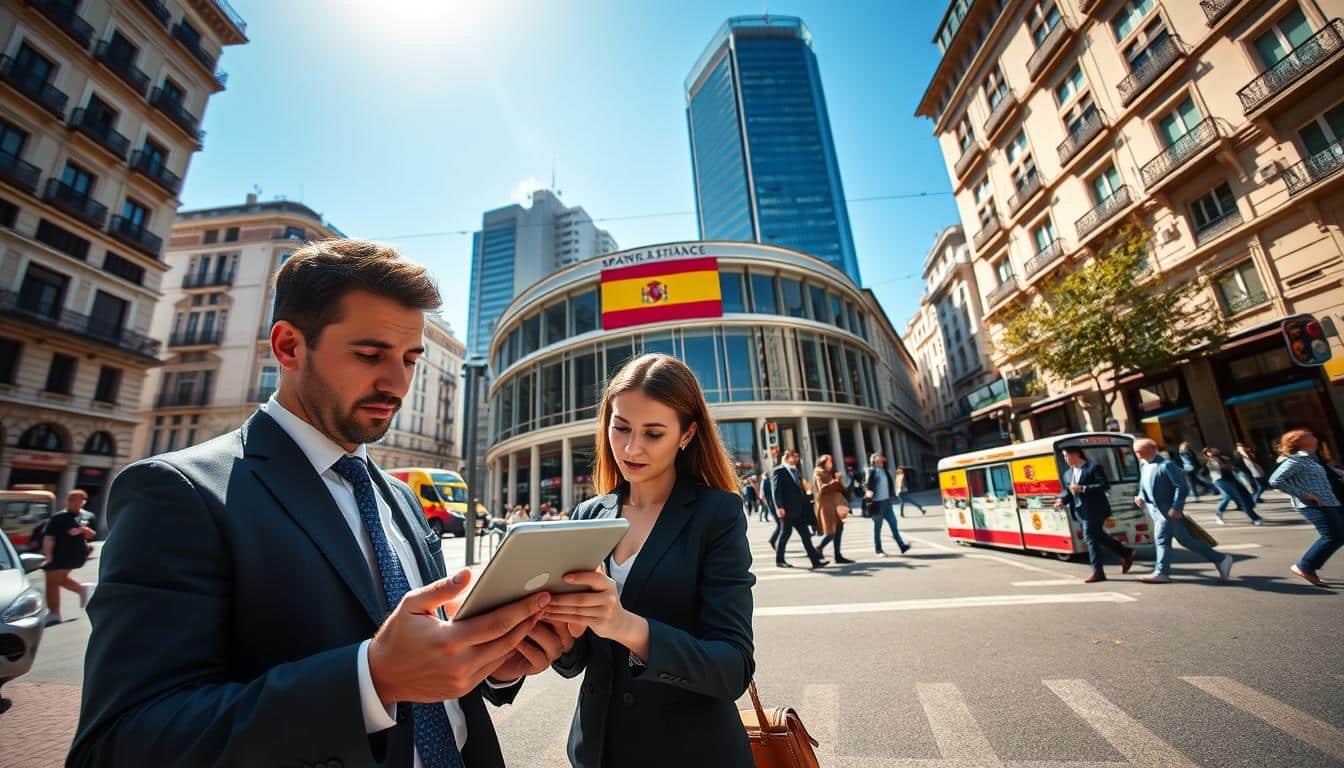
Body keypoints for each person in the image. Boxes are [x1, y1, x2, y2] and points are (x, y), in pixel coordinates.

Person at [71, 239, 569, 768]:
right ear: (288, 346)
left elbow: (433, 668)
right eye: (370, 355)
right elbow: (120, 742)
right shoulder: (177, 494)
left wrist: (494, 662)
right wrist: (370, 681)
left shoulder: (398, 496)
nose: (397, 383)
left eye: (409, 359)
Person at [546, 353, 755, 768]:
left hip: (692, 753)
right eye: (620, 427)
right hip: (597, 751)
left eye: (653, 433)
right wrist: (566, 635)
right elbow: (575, 664)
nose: (631, 447)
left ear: (686, 434)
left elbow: (733, 668)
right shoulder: (588, 515)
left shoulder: (717, 514)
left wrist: (625, 626)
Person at [1133, 438, 1233, 584]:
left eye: (1140, 451)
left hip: (1169, 511)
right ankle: (1221, 559)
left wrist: (1177, 507)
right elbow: (1143, 485)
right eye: (1136, 451)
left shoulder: (1166, 465)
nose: (1137, 454)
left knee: (1162, 540)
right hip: (1156, 511)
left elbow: (1182, 487)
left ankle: (1161, 573)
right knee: (1184, 540)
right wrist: (1140, 496)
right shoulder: (1144, 465)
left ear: (1152, 449)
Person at [1268, 429, 1342, 586]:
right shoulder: (1296, 460)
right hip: (1313, 505)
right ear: (1299, 442)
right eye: (1310, 436)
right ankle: (1305, 566)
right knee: (1332, 536)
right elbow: (1275, 480)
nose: (1315, 438)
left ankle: (1306, 566)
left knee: (1338, 535)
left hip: (1329, 501)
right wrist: (1303, 494)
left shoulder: (1311, 458)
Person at [1054, 448, 1135, 583]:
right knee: (1098, 536)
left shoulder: (1093, 467)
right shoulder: (1068, 474)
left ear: (1076, 454)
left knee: (1090, 538)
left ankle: (1098, 572)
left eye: (1066, 455)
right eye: (1063, 456)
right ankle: (1125, 552)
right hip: (1080, 511)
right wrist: (1061, 500)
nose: (1065, 459)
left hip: (1095, 509)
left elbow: (1104, 485)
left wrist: (1083, 488)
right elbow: (1069, 492)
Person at [41, 489, 95, 626]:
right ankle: (82, 590)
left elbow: (92, 535)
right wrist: (48, 555)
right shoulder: (58, 517)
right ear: (68, 501)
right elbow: (49, 537)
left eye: (80, 501)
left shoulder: (88, 516)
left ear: (83, 502)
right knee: (59, 580)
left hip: (75, 554)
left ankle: (54, 614)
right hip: (59, 553)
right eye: (73, 500)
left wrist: (84, 530)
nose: (77, 503)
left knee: (52, 582)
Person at [771, 449, 828, 569]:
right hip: (786, 510)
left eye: (797, 457)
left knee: (806, 535)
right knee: (785, 534)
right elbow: (776, 491)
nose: (796, 459)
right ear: (787, 457)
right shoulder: (779, 471)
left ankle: (815, 562)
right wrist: (779, 507)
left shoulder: (795, 471)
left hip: (799, 510)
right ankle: (779, 560)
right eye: (794, 457)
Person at [863, 453, 910, 556]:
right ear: (873, 461)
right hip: (877, 504)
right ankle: (878, 550)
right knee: (878, 528)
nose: (880, 458)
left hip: (887, 503)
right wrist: (869, 501)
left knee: (894, 524)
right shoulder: (871, 471)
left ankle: (902, 546)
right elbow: (867, 485)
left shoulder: (886, 472)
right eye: (877, 457)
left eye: (881, 457)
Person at [812, 454, 854, 564]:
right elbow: (822, 488)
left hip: (835, 505)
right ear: (823, 462)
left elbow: (836, 488)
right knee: (831, 532)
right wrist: (835, 481)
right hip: (827, 506)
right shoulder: (818, 472)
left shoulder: (827, 472)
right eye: (829, 462)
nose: (831, 464)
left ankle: (838, 556)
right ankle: (818, 548)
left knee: (839, 529)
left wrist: (838, 481)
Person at [1203, 447, 1261, 525]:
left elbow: (1232, 468)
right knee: (1237, 497)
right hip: (1222, 481)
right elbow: (1220, 467)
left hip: (1231, 479)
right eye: (1208, 452)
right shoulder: (1210, 462)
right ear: (1206, 454)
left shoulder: (1224, 458)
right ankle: (1255, 518)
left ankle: (1219, 514)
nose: (1211, 452)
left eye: (1212, 450)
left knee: (1235, 496)